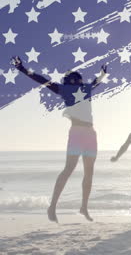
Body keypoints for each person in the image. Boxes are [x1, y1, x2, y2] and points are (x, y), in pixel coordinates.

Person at [11, 56, 107, 222]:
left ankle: (83, 207)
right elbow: (41, 80)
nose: (76, 81)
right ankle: (53, 206)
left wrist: (102, 74)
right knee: (69, 169)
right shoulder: (66, 89)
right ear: (73, 80)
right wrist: (22, 69)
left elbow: (95, 82)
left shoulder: (84, 88)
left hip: (90, 134)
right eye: (75, 79)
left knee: (89, 172)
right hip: (77, 133)